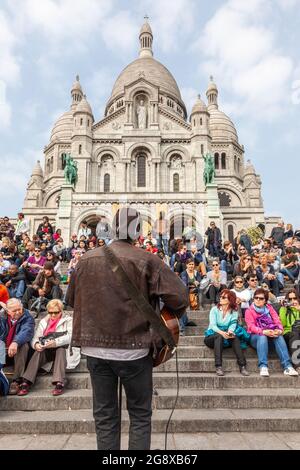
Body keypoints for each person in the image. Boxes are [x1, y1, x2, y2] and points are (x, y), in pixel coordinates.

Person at [67, 207, 188, 451]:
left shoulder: (85, 259)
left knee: (104, 416)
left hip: (95, 350)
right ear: (137, 231)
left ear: (113, 229)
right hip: (135, 349)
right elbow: (180, 298)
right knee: (140, 415)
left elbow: (71, 299)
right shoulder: (148, 259)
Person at [17, 299, 80, 396]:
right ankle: (27, 381)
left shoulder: (68, 320)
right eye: (50, 312)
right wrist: (36, 344)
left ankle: (59, 382)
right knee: (39, 351)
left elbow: (70, 337)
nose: (53, 315)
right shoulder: (43, 322)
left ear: (61, 311)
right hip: (47, 351)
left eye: (56, 312)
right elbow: (35, 338)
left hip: (64, 351)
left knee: (60, 350)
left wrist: (55, 342)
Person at [245, 288, 298, 377]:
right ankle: (263, 366)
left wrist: (279, 330)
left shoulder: (270, 308)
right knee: (262, 336)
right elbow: (251, 327)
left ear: (265, 300)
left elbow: (277, 321)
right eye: (256, 297)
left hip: (270, 335)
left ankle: (288, 367)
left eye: (261, 298)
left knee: (278, 335)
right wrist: (263, 331)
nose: (258, 300)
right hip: (256, 338)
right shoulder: (249, 311)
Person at [204, 290, 249, 376]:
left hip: (225, 336)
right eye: (220, 296)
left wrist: (230, 332)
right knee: (219, 336)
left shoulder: (234, 311)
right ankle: (218, 366)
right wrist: (222, 332)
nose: (220, 298)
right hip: (212, 336)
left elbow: (233, 324)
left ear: (230, 300)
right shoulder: (214, 310)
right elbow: (213, 326)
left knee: (234, 337)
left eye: (223, 297)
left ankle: (242, 366)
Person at [0, 298, 34, 395]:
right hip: (3, 351)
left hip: (19, 353)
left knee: (23, 345)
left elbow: (26, 331)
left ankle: (16, 380)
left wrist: (16, 342)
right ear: (7, 311)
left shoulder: (28, 317)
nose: (18, 312)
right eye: (14, 310)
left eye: (20, 309)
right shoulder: (2, 316)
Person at [279, 290, 300, 369]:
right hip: (289, 333)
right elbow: (283, 324)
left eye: (294, 298)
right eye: (290, 299)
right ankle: (297, 365)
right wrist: (284, 308)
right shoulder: (284, 309)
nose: (293, 301)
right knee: (294, 334)